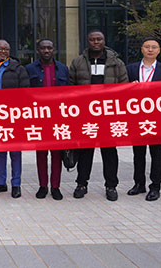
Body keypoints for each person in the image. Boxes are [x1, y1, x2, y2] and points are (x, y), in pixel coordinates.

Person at [69, 30, 128, 201]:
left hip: (108, 116)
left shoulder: (116, 63)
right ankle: (81, 184)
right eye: (92, 39)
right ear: (87, 41)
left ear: (104, 41)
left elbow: (124, 88)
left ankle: (111, 186)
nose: (96, 42)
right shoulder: (78, 62)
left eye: (99, 39)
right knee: (85, 152)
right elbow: (70, 87)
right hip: (85, 116)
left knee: (109, 152)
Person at [125, 37, 161, 201]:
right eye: (147, 47)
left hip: (157, 119)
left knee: (157, 153)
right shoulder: (130, 69)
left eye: (154, 47)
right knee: (138, 153)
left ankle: (155, 187)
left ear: (159, 50)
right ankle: (139, 184)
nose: (150, 50)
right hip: (136, 117)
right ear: (142, 49)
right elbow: (122, 92)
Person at [0, 39, 29, 199]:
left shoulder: (18, 69)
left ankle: (16, 184)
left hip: (13, 117)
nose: (3, 52)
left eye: (6, 49)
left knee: (15, 151)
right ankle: (0, 183)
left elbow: (25, 92)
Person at [25, 39, 70, 200]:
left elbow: (70, 94)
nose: (46, 51)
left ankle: (56, 187)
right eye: (43, 48)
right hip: (38, 117)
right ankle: (43, 186)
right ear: (38, 50)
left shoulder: (63, 69)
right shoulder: (29, 69)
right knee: (41, 153)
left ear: (54, 50)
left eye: (49, 48)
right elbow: (24, 93)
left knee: (57, 154)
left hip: (58, 117)